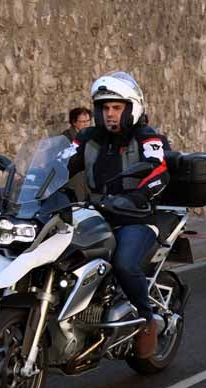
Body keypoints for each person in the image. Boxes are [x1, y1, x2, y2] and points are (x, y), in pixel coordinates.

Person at [67, 72, 170, 359]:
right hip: (94, 215)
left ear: (131, 108)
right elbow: (60, 162)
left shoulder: (146, 137)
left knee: (124, 264)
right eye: (104, 108)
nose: (109, 113)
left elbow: (158, 169)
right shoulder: (87, 138)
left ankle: (147, 320)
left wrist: (138, 195)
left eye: (116, 107)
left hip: (135, 217)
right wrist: (33, 181)